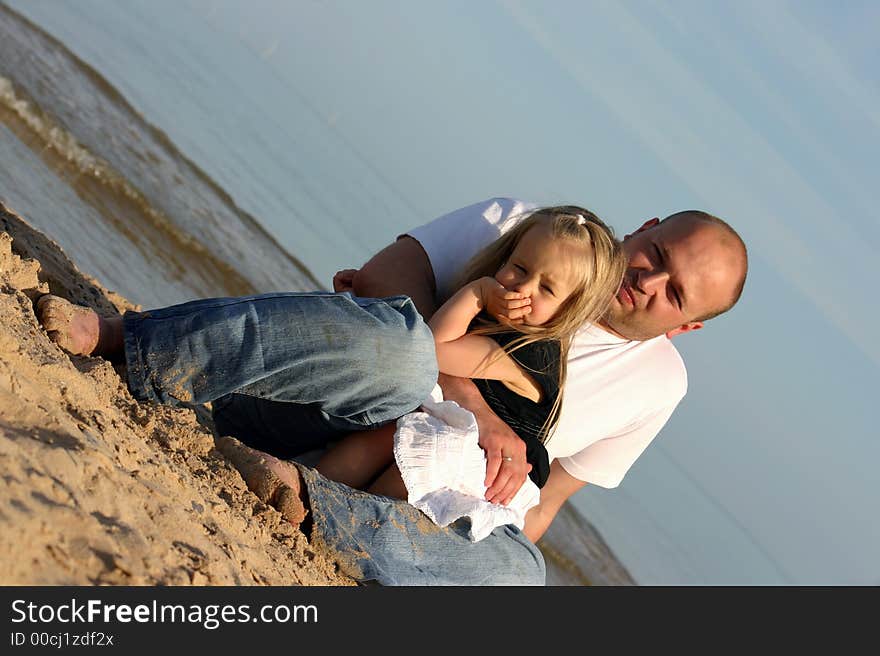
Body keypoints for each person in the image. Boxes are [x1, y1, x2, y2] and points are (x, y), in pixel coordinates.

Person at [36, 197, 748, 585]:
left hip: (400, 488)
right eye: (657, 256)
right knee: (405, 353)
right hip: (308, 401)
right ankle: (126, 341)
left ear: (683, 326)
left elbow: (550, 499)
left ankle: (313, 507)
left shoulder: (657, 387)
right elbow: (382, 276)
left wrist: (491, 508)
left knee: (520, 576)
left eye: (673, 292)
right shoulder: (531, 229)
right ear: (648, 227)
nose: (649, 280)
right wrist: (467, 402)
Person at [314, 207, 625, 542]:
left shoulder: (529, 354)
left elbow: (428, 350)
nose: (524, 287)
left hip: (480, 469)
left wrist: (477, 293)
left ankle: (348, 522)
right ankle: (311, 489)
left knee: (412, 451)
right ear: (505, 259)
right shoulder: (495, 318)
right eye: (519, 268)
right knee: (387, 435)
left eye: (547, 289)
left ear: (569, 309)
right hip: (450, 432)